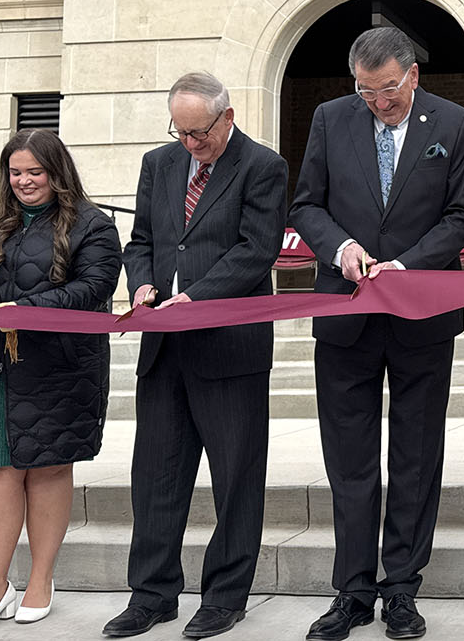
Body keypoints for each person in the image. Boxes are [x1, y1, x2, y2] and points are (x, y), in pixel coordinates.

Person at [288, 27, 464, 641]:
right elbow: (306, 206)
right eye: (367, 92)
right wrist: (339, 247)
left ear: (413, 75)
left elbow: (461, 215)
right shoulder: (328, 118)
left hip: (422, 315)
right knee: (350, 460)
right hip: (346, 313)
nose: (379, 103)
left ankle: (402, 588)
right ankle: (352, 590)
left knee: (417, 456)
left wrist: (409, 267)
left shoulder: (453, 124)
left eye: (389, 90)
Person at [106, 72, 288, 639]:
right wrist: (142, 286)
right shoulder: (158, 164)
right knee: (155, 478)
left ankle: (225, 596)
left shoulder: (263, 166)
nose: (190, 144)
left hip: (229, 348)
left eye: (199, 133)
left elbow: (256, 251)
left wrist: (196, 297)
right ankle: (152, 595)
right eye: (180, 132)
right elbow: (142, 242)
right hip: (164, 349)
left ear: (227, 117)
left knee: (236, 478)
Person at [0, 128, 120, 635]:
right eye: (15, 173)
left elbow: (95, 287)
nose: (23, 182)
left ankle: (41, 579)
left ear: (56, 172)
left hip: (58, 368)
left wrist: (29, 308)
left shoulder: (92, 225)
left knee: (48, 469)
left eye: (34, 172)